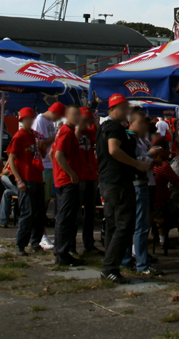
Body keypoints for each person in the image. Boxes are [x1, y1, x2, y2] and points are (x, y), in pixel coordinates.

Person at [97, 94, 151, 284]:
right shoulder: (113, 127)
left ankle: (109, 266)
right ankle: (110, 267)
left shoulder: (105, 127)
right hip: (117, 182)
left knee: (113, 225)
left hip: (109, 182)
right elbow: (113, 149)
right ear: (112, 110)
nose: (126, 111)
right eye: (122, 107)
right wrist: (136, 164)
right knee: (124, 225)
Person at [122, 110, 163, 277]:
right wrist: (150, 155)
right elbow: (135, 161)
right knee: (140, 225)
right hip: (136, 184)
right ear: (130, 123)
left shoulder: (143, 140)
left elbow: (152, 162)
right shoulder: (129, 139)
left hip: (143, 182)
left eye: (146, 122)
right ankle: (141, 263)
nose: (144, 125)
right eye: (141, 122)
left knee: (135, 224)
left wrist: (154, 157)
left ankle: (129, 260)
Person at [7, 107, 47, 256]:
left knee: (39, 213)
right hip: (26, 178)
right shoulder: (18, 137)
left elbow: (42, 155)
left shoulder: (36, 136)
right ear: (22, 120)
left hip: (37, 177)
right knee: (27, 213)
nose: (30, 121)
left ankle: (35, 243)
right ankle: (20, 244)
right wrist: (19, 180)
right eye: (27, 118)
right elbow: (11, 160)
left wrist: (41, 147)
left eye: (32, 118)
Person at [51, 105, 84, 266]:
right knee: (65, 217)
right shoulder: (66, 132)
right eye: (74, 115)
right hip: (68, 181)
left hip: (63, 179)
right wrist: (71, 174)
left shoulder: (65, 131)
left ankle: (62, 250)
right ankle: (62, 253)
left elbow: (52, 153)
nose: (78, 117)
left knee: (67, 217)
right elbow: (58, 155)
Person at [32, 102, 64, 252]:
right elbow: (40, 143)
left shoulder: (49, 121)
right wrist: (56, 136)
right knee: (42, 202)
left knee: (48, 201)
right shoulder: (40, 120)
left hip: (51, 164)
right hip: (44, 164)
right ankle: (41, 236)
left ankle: (42, 234)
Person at [77, 108, 101, 256]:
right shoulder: (74, 131)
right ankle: (71, 245)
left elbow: (100, 138)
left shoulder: (90, 133)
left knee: (90, 212)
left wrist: (96, 124)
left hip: (91, 175)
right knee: (76, 213)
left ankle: (89, 243)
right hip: (79, 176)